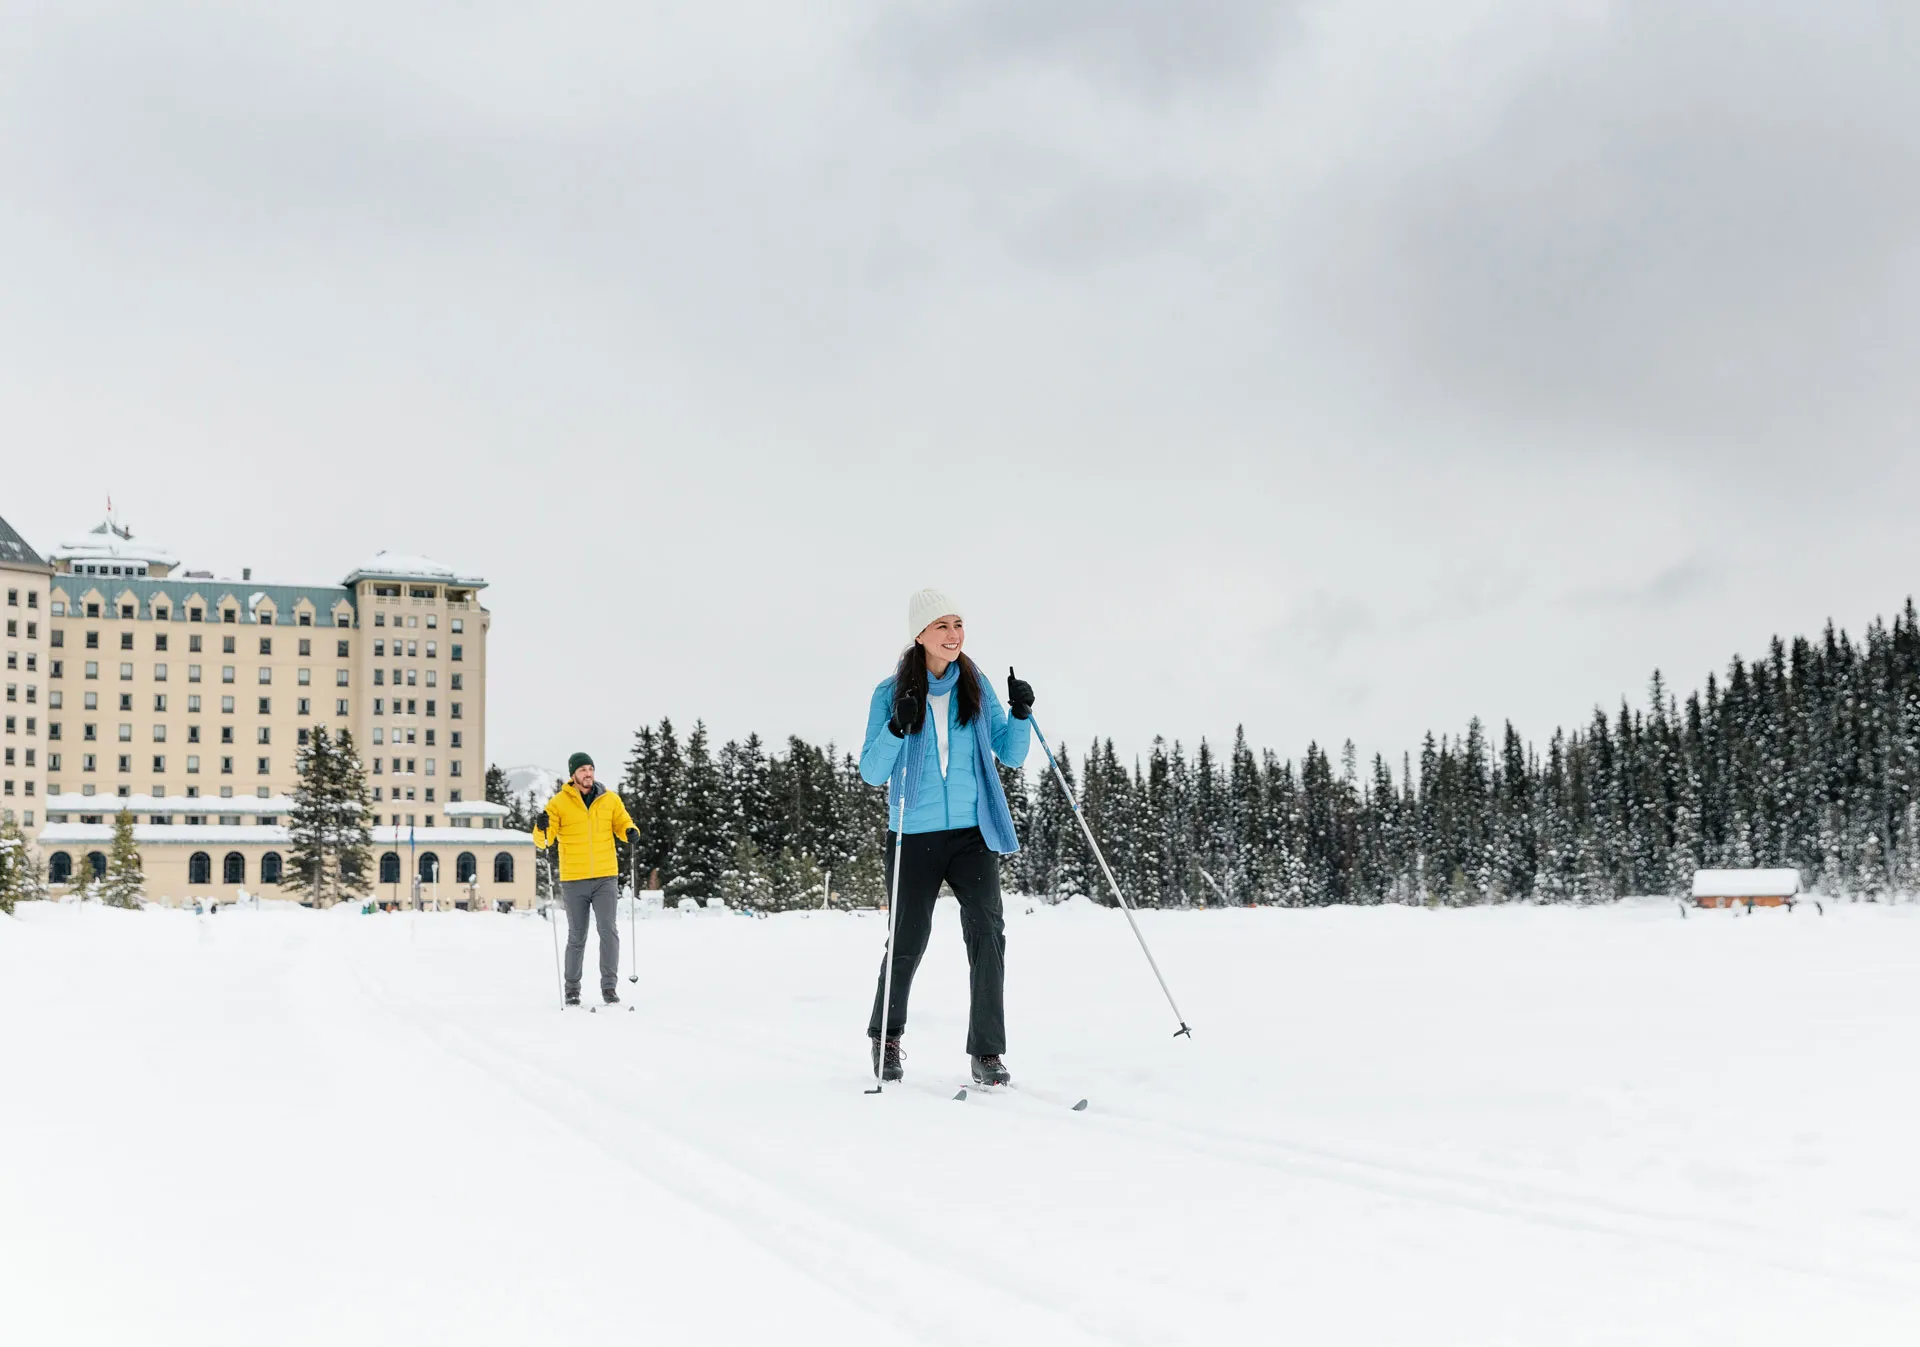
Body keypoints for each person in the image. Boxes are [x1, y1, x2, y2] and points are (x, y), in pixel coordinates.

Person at [859, 588, 1035, 1087]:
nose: (953, 635)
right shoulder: (888, 692)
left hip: (971, 834)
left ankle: (987, 1053)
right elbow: (872, 772)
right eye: (942, 626)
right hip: (913, 833)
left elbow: (1011, 754)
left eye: (958, 625)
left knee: (987, 934)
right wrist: (897, 727)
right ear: (919, 634)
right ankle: (886, 1037)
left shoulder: (975, 688)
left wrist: (1020, 715)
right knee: (909, 939)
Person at [532, 752, 640, 1006]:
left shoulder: (610, 799)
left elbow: (623, 823)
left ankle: (609, 987)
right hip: (574, 879)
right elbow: (545, 841)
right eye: (582, 770)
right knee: (577, 936)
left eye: (590, 768)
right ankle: (572, 989)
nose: (587, 773)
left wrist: (631, 832)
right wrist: (540, 826)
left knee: (608, 930)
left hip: (605, 876)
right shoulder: (559, 803)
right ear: (573, 775)